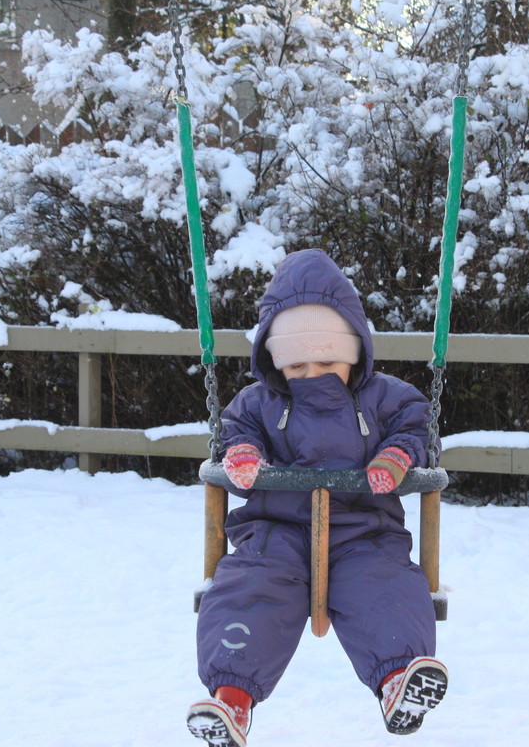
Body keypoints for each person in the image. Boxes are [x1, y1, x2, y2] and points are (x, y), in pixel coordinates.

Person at [187, 249, 448, 747]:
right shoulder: (257, 402)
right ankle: (231, 701)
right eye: (298, 364)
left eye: (329, 360)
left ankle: (399, 681)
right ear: (275, 361)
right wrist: (242, 452)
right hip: (275, 530)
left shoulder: (387, 397)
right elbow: (236, 430)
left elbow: (417, 428)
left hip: (363, 532)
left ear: (354, 352)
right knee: (249, 590)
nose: (314, 374)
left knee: (385, 587)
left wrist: (396, 456)